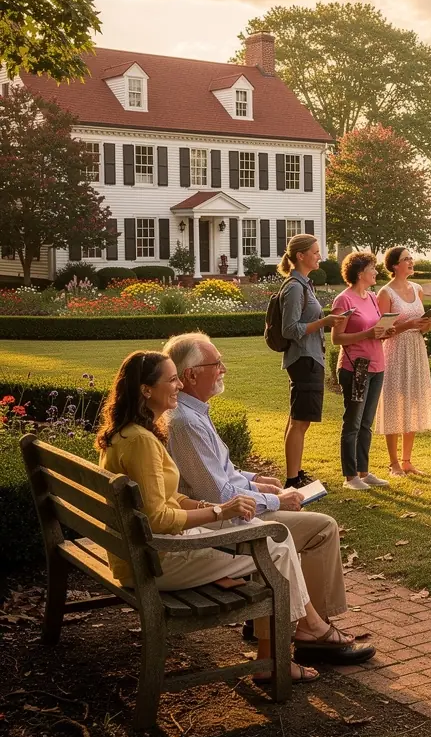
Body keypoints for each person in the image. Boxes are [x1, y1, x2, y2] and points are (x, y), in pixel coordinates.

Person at [96, 351, 364, 684]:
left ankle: (295, 638)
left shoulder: (129, 433)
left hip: (140, 553)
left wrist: (211, 507)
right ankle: (276, 660)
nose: (178, 384)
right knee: (276, 546)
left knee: (265, 536)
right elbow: (160, 519)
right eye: (172, 379)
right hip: (154, 563)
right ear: (146, 390)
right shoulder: (142, 441)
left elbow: (164, 499)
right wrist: (221, 511)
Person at [163, 332, 374, 665]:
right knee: (321, 529)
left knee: (309, 528)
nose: (223, 369)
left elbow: (222, 473)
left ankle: (302, 622)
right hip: (220, 525)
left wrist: (257, 480)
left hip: (223, 515)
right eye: (216, 363)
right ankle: (310, 629)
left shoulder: (194, 412)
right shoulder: (186, 421)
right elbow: (217, 495)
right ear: (190, 375)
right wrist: (278, 501)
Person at [278, 233, 346, 490]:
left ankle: (294, 474)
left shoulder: (304, 284)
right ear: (300, 256)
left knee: (298, 418)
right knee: (300, 421)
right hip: (304, 359)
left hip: (310, 356)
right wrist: (324, 322)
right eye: (316, 252)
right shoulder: (295, 288)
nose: (319, 256)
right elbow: (290, 329)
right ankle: (292, 480)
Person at [331, 251, 392, 489]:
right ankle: (350, 477)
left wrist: (386, 331)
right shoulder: (343, 300)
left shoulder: (372, 297)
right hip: (355, 368)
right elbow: (337, 338)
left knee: (366, 422)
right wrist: (367, 334)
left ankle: (364, 472)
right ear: (360, 273)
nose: (376, 272)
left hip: (377, 365)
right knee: (353, 422)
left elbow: (376, 329)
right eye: (372, 268)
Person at [376, 247, 431, 476]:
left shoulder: (418, 289)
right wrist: (408, 325)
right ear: (394, 266)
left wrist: (426, 324)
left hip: (415, 348)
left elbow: (422, 323)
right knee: (393, 403)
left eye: (411, 258)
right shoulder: (386, 293)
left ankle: (407, 460)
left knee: (412, 402)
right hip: (394, 350)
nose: (411, 261)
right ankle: (393, 463)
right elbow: (381, 331)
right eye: (406, 259)